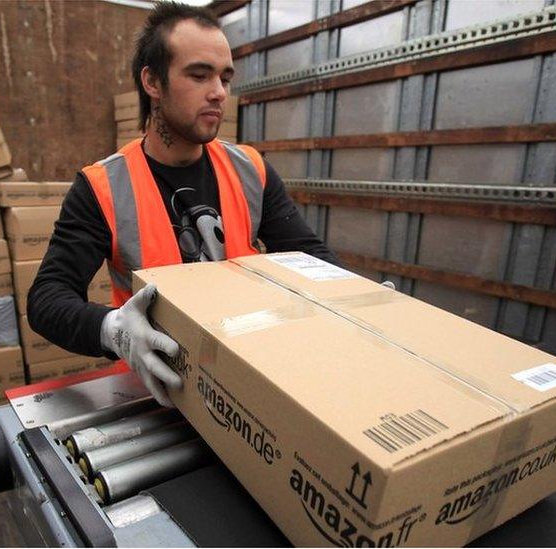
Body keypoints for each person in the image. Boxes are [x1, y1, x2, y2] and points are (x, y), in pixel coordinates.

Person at [27, 2, 339, 407]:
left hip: (248, 377)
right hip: (159, 388)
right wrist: (114, 330)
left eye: (225, 77)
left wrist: (351, 297)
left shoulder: (251, 170)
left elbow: (310, 255)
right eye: (199, 75)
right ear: (152, 82)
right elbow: (47, 298)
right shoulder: (103, 187)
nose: (219, 92)